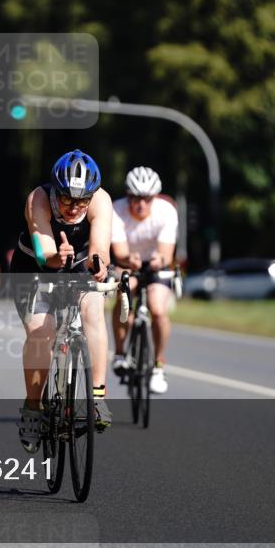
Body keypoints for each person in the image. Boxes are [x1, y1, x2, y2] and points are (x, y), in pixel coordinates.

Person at [9, 149, 113, 453]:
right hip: (35, 267)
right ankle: (32, 408)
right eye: (66, 199)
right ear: (56, 191)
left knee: (93, 309)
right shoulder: (38, 199)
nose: (73, 207)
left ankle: (98, 397)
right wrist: (57, 256)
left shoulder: (101, 200)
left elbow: (100, 247)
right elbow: (45, 252)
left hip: (79, 263)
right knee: (42, 332)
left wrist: (98, 265)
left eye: (82, 201)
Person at [110, 166, 178, 394]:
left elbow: (166, 254)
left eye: (147, 199)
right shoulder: (116, 210)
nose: (141, 204)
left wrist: (160, 260)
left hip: (156, 265)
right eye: (135, 198)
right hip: (128, 262)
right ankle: (120, 353)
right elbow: (119, 253)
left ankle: (158, 365)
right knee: (125, 294)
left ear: (155, 197)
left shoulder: (166, 211)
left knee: (158, 309)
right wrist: (129, 259)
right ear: (127, 196)